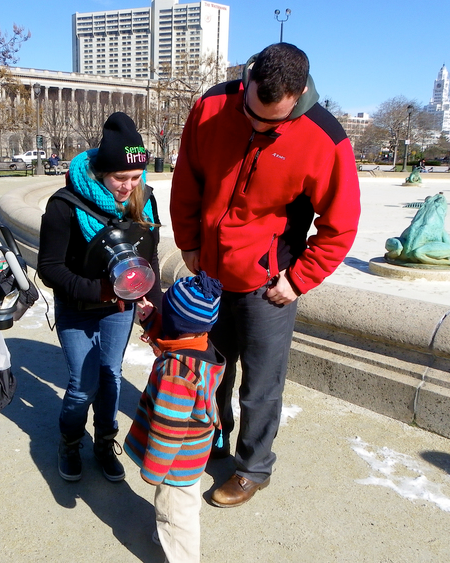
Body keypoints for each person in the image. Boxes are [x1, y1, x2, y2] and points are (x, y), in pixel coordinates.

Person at [170, 42, 361, 507]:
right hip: (210, 276)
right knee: (207, 372)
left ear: (297, 97)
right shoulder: (213, 105)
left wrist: (297, 279)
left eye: (270, 122)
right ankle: (211, 438)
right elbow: (188, 177)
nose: (256, 125)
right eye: (251, 111)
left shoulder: (325, 137)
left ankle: (253, 468)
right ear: (248, 77)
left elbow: (341, 225)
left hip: (266, 286)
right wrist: (189, 242)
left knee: (260, 387)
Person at [38, 112, 163, 482]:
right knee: (82, 385)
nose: (127, 187)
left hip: (119, 309)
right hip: (77, 307)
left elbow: (149, 256)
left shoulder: (144, 198)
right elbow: (50, 269)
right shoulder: (63, 205)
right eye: (119, 178)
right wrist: (104, 290)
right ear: (101, 171)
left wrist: (149, 302)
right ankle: (70, 441)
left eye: (135, 177)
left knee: (111, 377)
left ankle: (105, 442)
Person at [124, 271, 225, 563]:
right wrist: (152, 319)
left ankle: (179, 551)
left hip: (175, 460)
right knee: (186, 500)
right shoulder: (202, 346)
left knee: (175, 513)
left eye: (166, 312)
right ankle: (167, 528)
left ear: (177, 323)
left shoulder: (176, 375)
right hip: (194, 450)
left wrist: (154, 471)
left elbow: (169, 429)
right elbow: (176, 339)